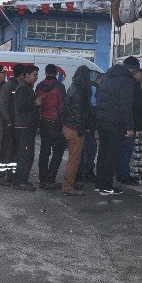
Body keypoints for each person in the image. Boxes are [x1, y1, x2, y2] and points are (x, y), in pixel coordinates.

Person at [95, 58, 137, 195]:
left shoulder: (107, 76)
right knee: (113, 155)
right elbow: (125, 105)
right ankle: (107, 186)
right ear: (133, 69)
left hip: (101, 120)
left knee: (103, 152)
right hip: (115, 122)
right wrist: (129, 127)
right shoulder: (127, 80)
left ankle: (100, 183)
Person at [117, 57, 142, 185]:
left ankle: (121, 173)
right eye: (141, 73)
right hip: (128, 124)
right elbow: (129, 105)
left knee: (125, 150)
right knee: (126, 150)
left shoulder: (134, 84)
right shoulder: (129, 84)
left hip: (129, 123)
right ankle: (123, 175)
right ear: (134, 72)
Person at [35, 64, 67, 190]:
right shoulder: (60, 87)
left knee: (44, 151)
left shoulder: (39, 86)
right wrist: (63, 124)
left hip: (43, 121)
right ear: (56, 73)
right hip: (56, 123)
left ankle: (42, 179)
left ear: (46, 72)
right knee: (58, 151)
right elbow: (61, 107)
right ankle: (50, 179)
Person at [62, 65, 92, 196]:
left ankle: (70, 182)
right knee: (74, 160)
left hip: (69, 127)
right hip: (75, 129)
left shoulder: (73, 86)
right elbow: (78, 111)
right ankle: (68, 187)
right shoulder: (79, 89)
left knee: (74, 159)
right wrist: (81, 128)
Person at [13, 65, 41, 192]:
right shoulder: (23, 88)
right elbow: (20, 106)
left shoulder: (28, 88)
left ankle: (23, 179)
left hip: (28, 126)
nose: (36, 77)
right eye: (35, 75)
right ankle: (20, 182)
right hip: (24, 127)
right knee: (24, 155)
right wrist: (35, 103)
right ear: (27, 75)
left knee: (28, 155)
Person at [0, 64, 24, 187]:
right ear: (22, 74)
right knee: (6, 151)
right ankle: (1, 177)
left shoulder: (20, 86)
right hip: (10, 124)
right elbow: (2, 105)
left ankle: (11, 176)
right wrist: (8, 120)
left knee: (14, 152)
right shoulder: (8, 86)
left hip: (17, 125)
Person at [78, 72, 102, 183]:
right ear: (99, 79)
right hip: (88, 124)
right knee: (90, 148)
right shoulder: (93, 88)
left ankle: (84, 171)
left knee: (87, 148)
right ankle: (86, 172)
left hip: (87, 124)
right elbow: (93, 107)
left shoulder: (87, 87)